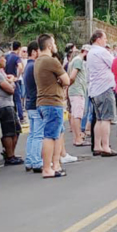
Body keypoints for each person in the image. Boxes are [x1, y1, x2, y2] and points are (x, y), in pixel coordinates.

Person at [35, 34, 70, 178]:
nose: (56, 46)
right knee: (50, 136)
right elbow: (66, 80)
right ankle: (47, 168)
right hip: (52, 102)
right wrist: (60, 80)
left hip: (43, 102)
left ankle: (55, 164)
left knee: (58, 133)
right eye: (54, 43)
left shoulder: (38, 61)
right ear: (49, 46)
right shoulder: (51, 61)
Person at [0, 49, 22, 165]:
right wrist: (12, 82)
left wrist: (10, 81)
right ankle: (10, 156)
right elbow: (10, 89)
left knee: (16, 130)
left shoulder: (0, 72)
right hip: (2, 105)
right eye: (3, 58)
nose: (5, 60)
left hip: (7, 104)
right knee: (9, 132)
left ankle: (9, 153)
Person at [87, 30, 117, 157]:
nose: (106, 41)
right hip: (104, 88)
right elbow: (114, 64)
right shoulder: (101, 51)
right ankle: (105, 146)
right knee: (106, 118)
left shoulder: (91, 52)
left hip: (94, 89)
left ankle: (97, 146)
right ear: (98, 39)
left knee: (99, 119)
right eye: (104, 38)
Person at [23, 40, 44, 172]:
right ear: (34, 52)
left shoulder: (28, 66)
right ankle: (36, 161)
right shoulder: (34, 66)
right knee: (38, 135)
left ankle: (30, 160)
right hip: (36, 104)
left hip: (30, 104)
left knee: (32, 134)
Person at [68, 44, 90, 146]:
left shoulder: (74, 60)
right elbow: (72, 76)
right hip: (77, 90)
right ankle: (78, 139)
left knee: (74, 115)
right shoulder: (78, 61)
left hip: (74, 91)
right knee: (78, 115)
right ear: (85, 52)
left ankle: (76, 138)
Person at [5, 41, 25, 123]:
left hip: (6, 80)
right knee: (18, 100)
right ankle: (21, 117)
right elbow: (20, 67)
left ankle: (12, 117)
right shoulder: (16, 57)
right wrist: (17, 76)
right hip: (13, 80)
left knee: (10, 100)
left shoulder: (6, 56)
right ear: (19, 48)